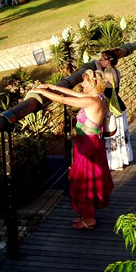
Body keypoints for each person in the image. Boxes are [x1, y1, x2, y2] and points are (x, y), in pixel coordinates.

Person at [33, 70, 113, 230]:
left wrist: (42, 92)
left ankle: (89, 219)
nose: (81, 84)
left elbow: (63, 100)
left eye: (84, 82)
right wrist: (51, 86)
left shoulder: (93, 102)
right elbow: (71, 94)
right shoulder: (98, 97)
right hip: (89, 144)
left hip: (88, 146)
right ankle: (86, 215)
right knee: (85, 178)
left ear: (92, 84)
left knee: (85, 179)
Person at [95, 49, 133, 171]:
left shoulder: (106, 74)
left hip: (112, 108)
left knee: (113, 135)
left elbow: (99, 80)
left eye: (102, 59)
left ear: (108, 61)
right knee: (120, 135)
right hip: (119, 106)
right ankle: (122, 159)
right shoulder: (116, 71)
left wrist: (97, 67)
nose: (100, 61)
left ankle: (115, 162)